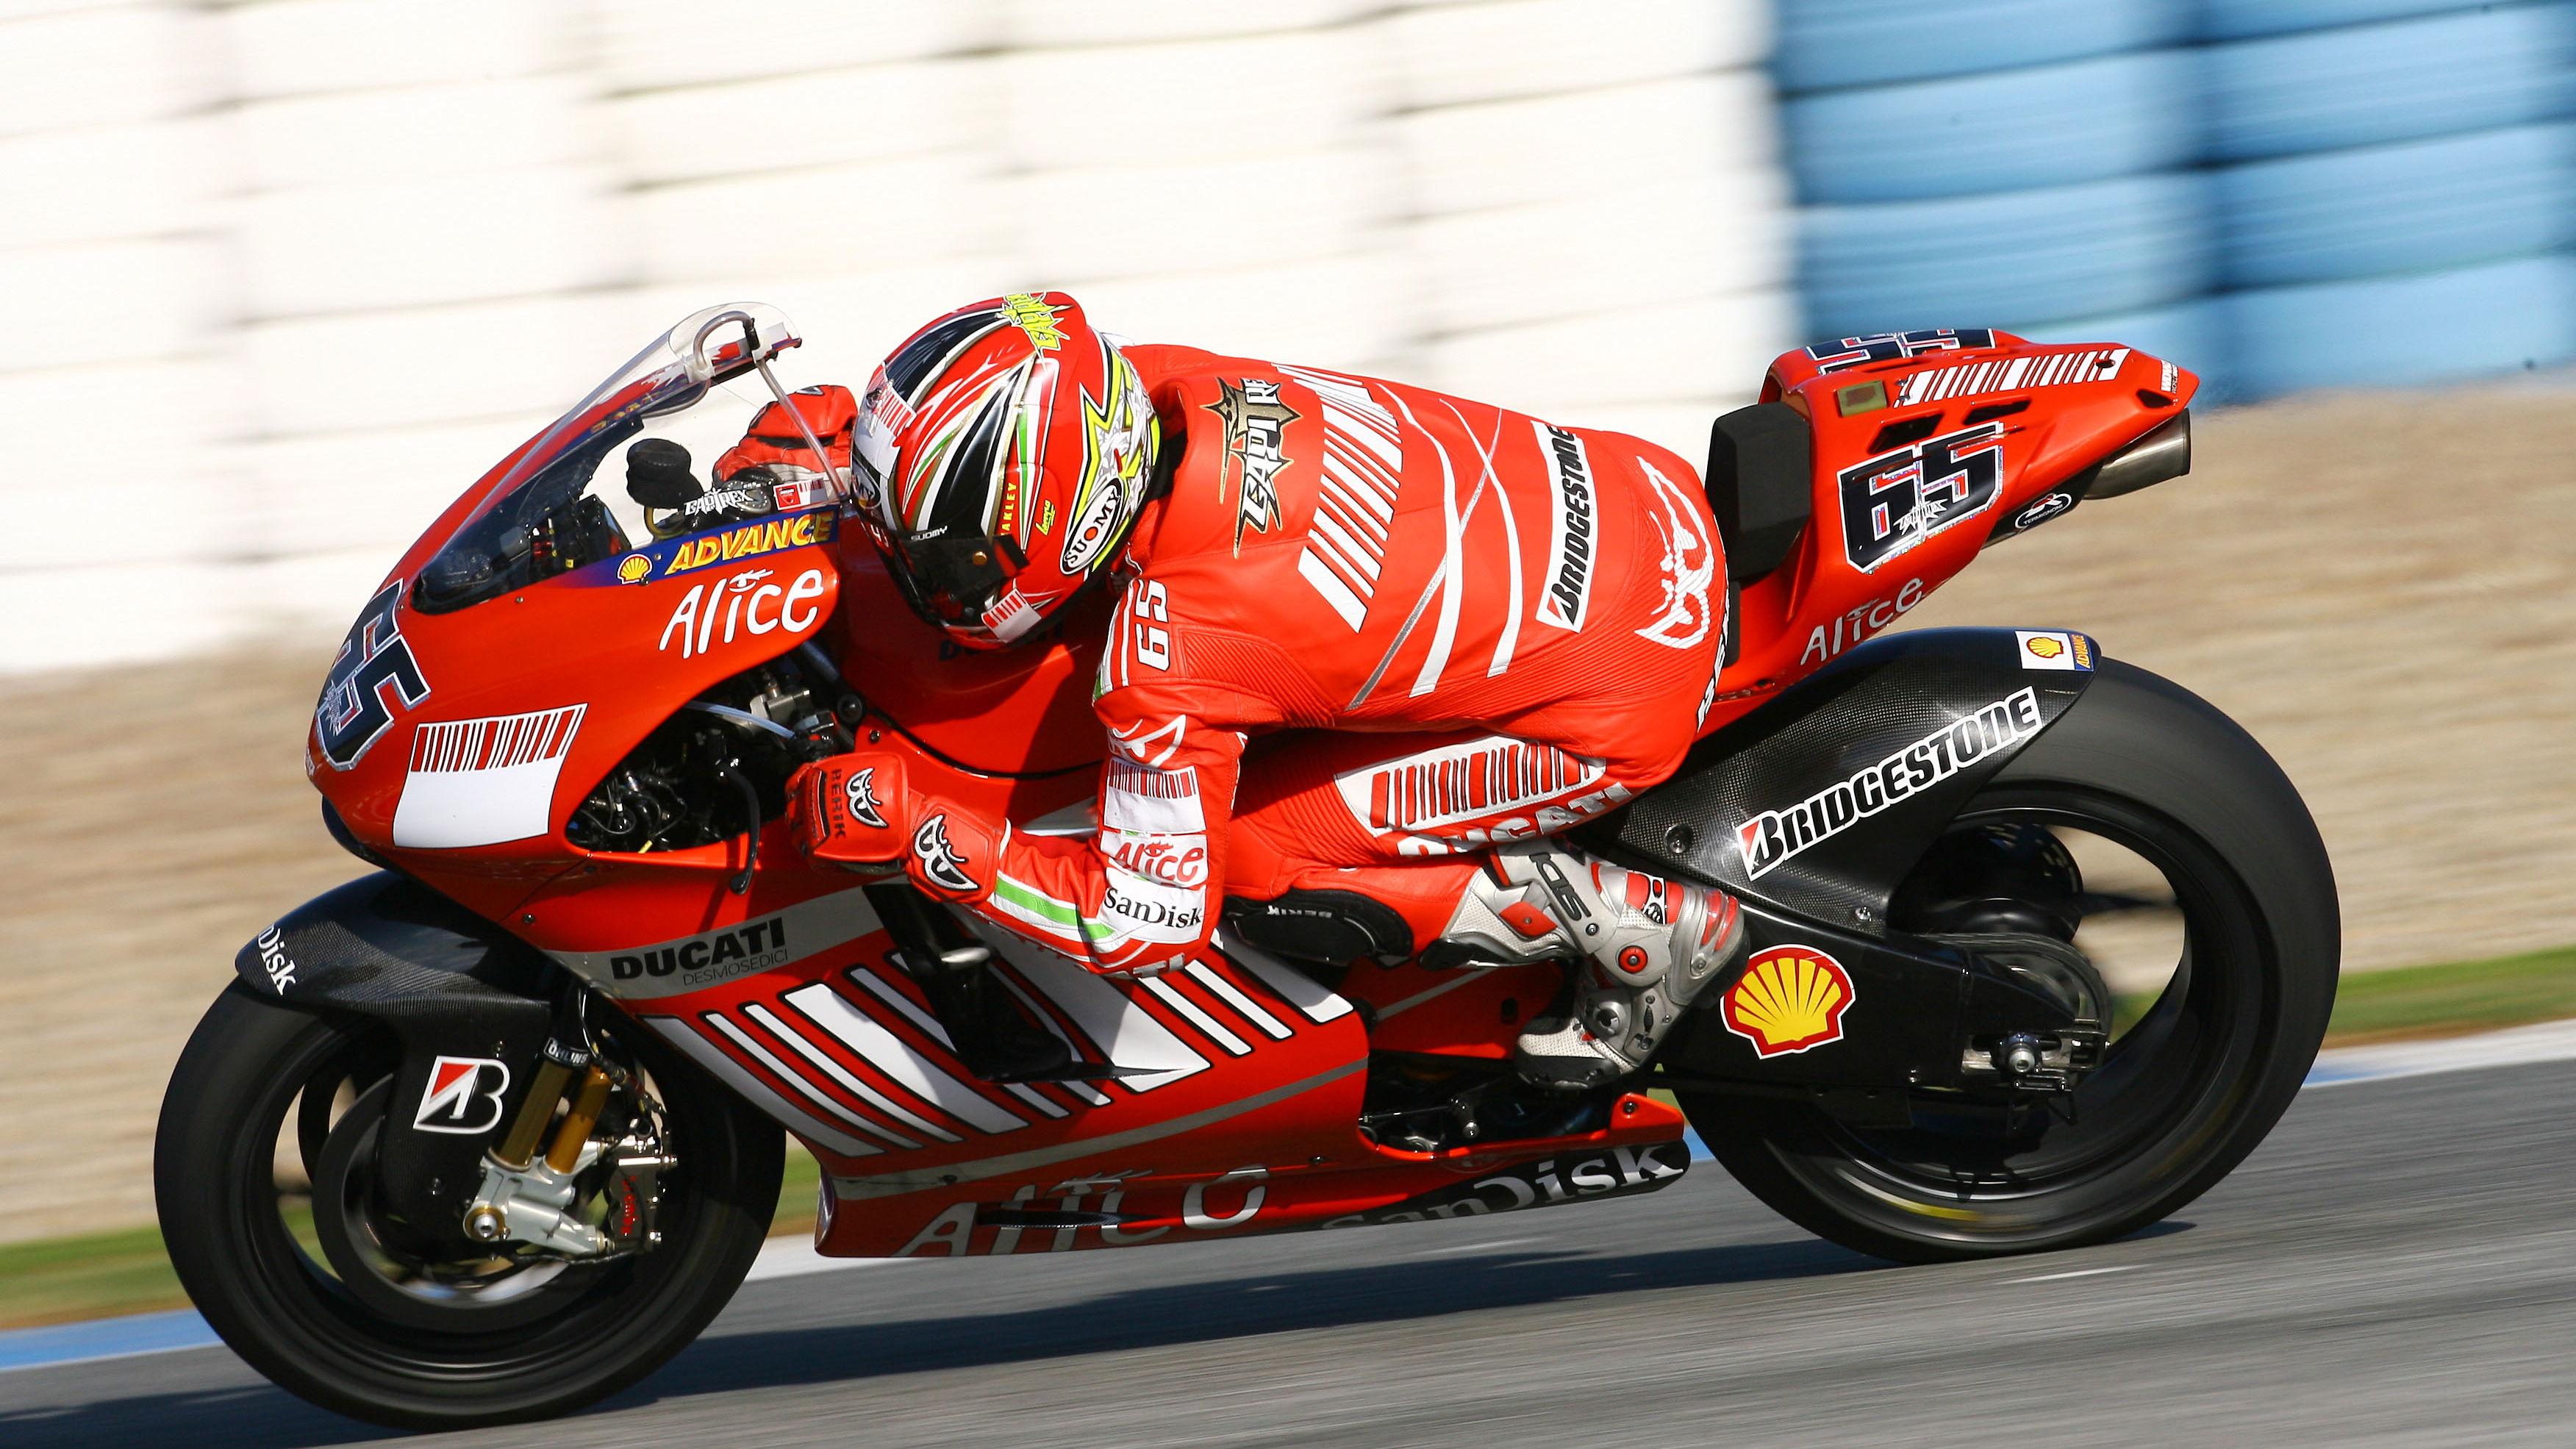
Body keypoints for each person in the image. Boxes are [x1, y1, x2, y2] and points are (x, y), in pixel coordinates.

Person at [762, 291, 1745, 1090]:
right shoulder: (1153, 385)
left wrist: (931, 838)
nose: (942, 586)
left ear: (1049, 513)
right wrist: (832, 467)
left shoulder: (1171, 651)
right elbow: (1004, 438)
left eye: (958, 559)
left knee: (1251, 849)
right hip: (1642, 495)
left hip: (1618, 693)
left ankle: (1636, 925)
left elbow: (1142, 921)